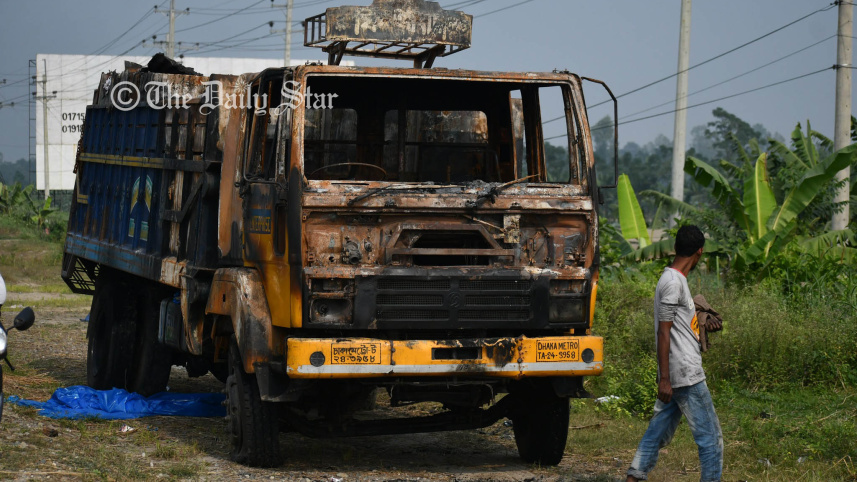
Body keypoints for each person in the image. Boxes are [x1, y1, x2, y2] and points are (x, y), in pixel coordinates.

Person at [626, 225, 723, 482]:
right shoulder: (672, 283)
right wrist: (665, 379)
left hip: (676, 374)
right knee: (711, 440)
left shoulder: (676, 280)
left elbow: (678, 327)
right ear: (699, 252)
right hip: (685, 375)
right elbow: (663, 333)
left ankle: (634, 477)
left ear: (675, 247)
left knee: (656, 433)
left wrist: (702, 324)